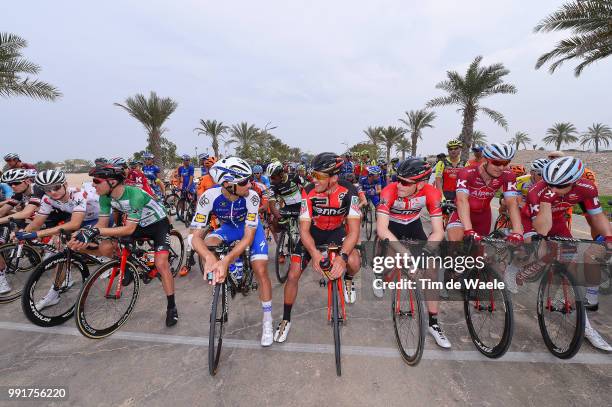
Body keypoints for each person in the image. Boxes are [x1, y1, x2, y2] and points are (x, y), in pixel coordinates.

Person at [517, 156, 612, 351]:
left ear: (575, 182)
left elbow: (597, 216)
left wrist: (608, 237)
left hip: (558, 221)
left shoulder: (587, 188)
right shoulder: (538, 190)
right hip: (534, 221)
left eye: (559, 185)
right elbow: (542, 229)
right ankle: (522, 268)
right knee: (540, 252)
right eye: (549, 183)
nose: (552, 188)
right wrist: (546, 200)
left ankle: (584, 325)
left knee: (570, 261)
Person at [67, 165, 178, 327]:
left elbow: (128, 229)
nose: (93, 185)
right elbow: (102, 224)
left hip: (158, 224)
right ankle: (129, 265)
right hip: (137, 224)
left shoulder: (135, 194)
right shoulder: (104, 197)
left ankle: (172, 307)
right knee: (106, 246)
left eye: (97, 181)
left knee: (161, 264)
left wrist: (95, 231)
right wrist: (83, 233)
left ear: (112, 182)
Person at [274, 152, 361, 343]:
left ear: (334, 177)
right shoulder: (308, 190)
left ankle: (348, 279)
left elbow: (354, 231)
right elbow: (304, 230)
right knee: (293, 274)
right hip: (312, 234)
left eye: (320, 176)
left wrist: (343, 257)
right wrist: (314, 253)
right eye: (313, 174)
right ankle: (285, 319)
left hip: (337, 233)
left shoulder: (350, 192)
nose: (314, 179)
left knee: (354, 261)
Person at [190, 157, 274, 346]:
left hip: (250, 230)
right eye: (244, 181)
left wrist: (227, 258)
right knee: (209, 241)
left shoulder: (252, 196)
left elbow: (248, 237)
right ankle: (221, 273)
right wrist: (209, 257)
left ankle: (267, 321)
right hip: (228, 228)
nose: (250, 184)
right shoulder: (209, 197)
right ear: (227, 184)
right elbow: (196, 236)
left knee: (260, 269)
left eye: (250, 179)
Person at [376, 158, 449, 348]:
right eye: (398, 179)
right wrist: (403, 252)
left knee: (431, 270)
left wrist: (425, 253)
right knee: (391, 262)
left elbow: (439, 231)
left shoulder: (431, 193)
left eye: (406, 182)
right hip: (392, 226)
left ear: (421, 183)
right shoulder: (389, 191)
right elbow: (382, 230)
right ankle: (382, 275)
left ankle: (433, 323)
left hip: (413, 226)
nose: (399, 184)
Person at [8, 170, 100, 306]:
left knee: (75, 242)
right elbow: (38, 222)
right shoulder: (47, 198)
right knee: (60, 245)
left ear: (65, 184)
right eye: (47, 189)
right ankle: (55, 291)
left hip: (97, 218)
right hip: (78, 216)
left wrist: (36, 234)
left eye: (56, 187)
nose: (52, 192)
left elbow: (75, 224)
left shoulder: (78, 194)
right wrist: (23, 233)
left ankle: (105, 257)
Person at [446, 143, 523, 243]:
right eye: (496, 163)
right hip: (461, 214)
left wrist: (517, 232)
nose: (501, 167)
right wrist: (468, 230)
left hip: (483, 217)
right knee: (456, 243)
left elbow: (512, 203)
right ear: (486, 160)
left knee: (479, 253)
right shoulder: (466, 172)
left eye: (506, 163)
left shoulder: (508, 175)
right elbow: (461, 201)